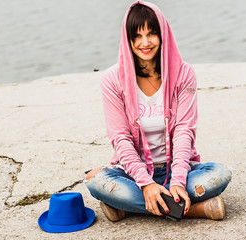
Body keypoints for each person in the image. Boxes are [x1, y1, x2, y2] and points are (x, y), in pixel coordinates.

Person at [85, 1, 232, 222]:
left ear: (163, 34)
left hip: (177, 168)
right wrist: (145, 184)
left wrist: (178, 181)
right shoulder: (112, 79)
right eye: (137, 36)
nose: (145, 42)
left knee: (219, 174)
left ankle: (128, 207)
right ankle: (193, 209)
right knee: (95, 182)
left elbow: (185, 130)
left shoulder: (184, 74)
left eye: (151, 33)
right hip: (134, 173)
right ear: (128, 39)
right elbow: (120, 138)